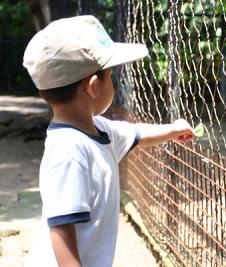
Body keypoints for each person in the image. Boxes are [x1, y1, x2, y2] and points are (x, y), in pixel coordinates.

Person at [22, 15, 194, 267]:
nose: (112, 81)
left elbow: (136, 134)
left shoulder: (97, 129)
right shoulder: (69, 150)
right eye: (110, 75)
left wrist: (172, 130)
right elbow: (61, 231)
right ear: (93, 86)